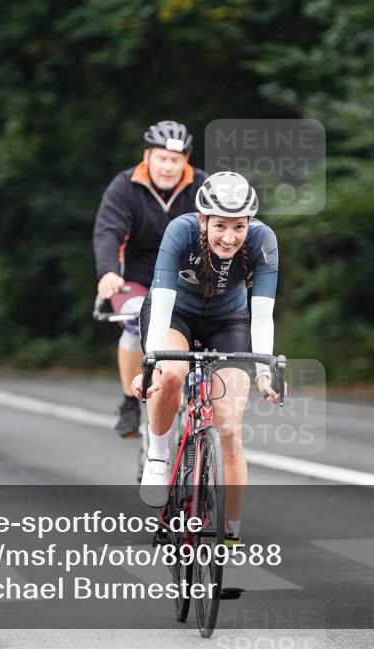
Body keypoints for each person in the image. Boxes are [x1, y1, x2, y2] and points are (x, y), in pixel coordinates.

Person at [133, 171, 281, 546]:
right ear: (203, 220)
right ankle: (159, 454)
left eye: (239, 226)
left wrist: (264, 373)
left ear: (251, 223)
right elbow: (163, 299)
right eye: (220, 226)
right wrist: (150, 365)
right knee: (172, 374)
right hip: (176, 313)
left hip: (228, 320)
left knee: (229, 427)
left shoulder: (264, 242)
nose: (229, 237)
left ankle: (230, 535)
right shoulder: (180, 232)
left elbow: (262, 314)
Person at [93, 121, 207, 438]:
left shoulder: (202, 186)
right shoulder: (125, 186)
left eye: (175, 160)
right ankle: (130, 402)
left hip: (189, 277)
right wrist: (108, 272)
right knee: (134, 320)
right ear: (147, 156)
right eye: (161, 159)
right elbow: (108, 232)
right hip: (138, 277)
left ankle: (197, 391)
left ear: (186, 160)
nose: (168, 167)